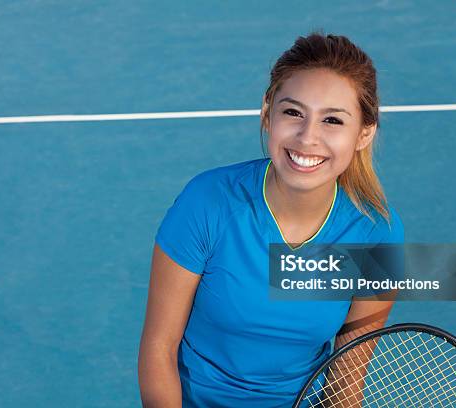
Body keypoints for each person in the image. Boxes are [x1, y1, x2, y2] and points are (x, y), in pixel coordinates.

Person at [138, 32, 404, 407]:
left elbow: (347, 377)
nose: (307, 137)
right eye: (293, 112)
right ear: (267, 112)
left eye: (332, 120)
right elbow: (158, 348)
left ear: (364, 133)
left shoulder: (376, 233)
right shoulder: (208, 203)